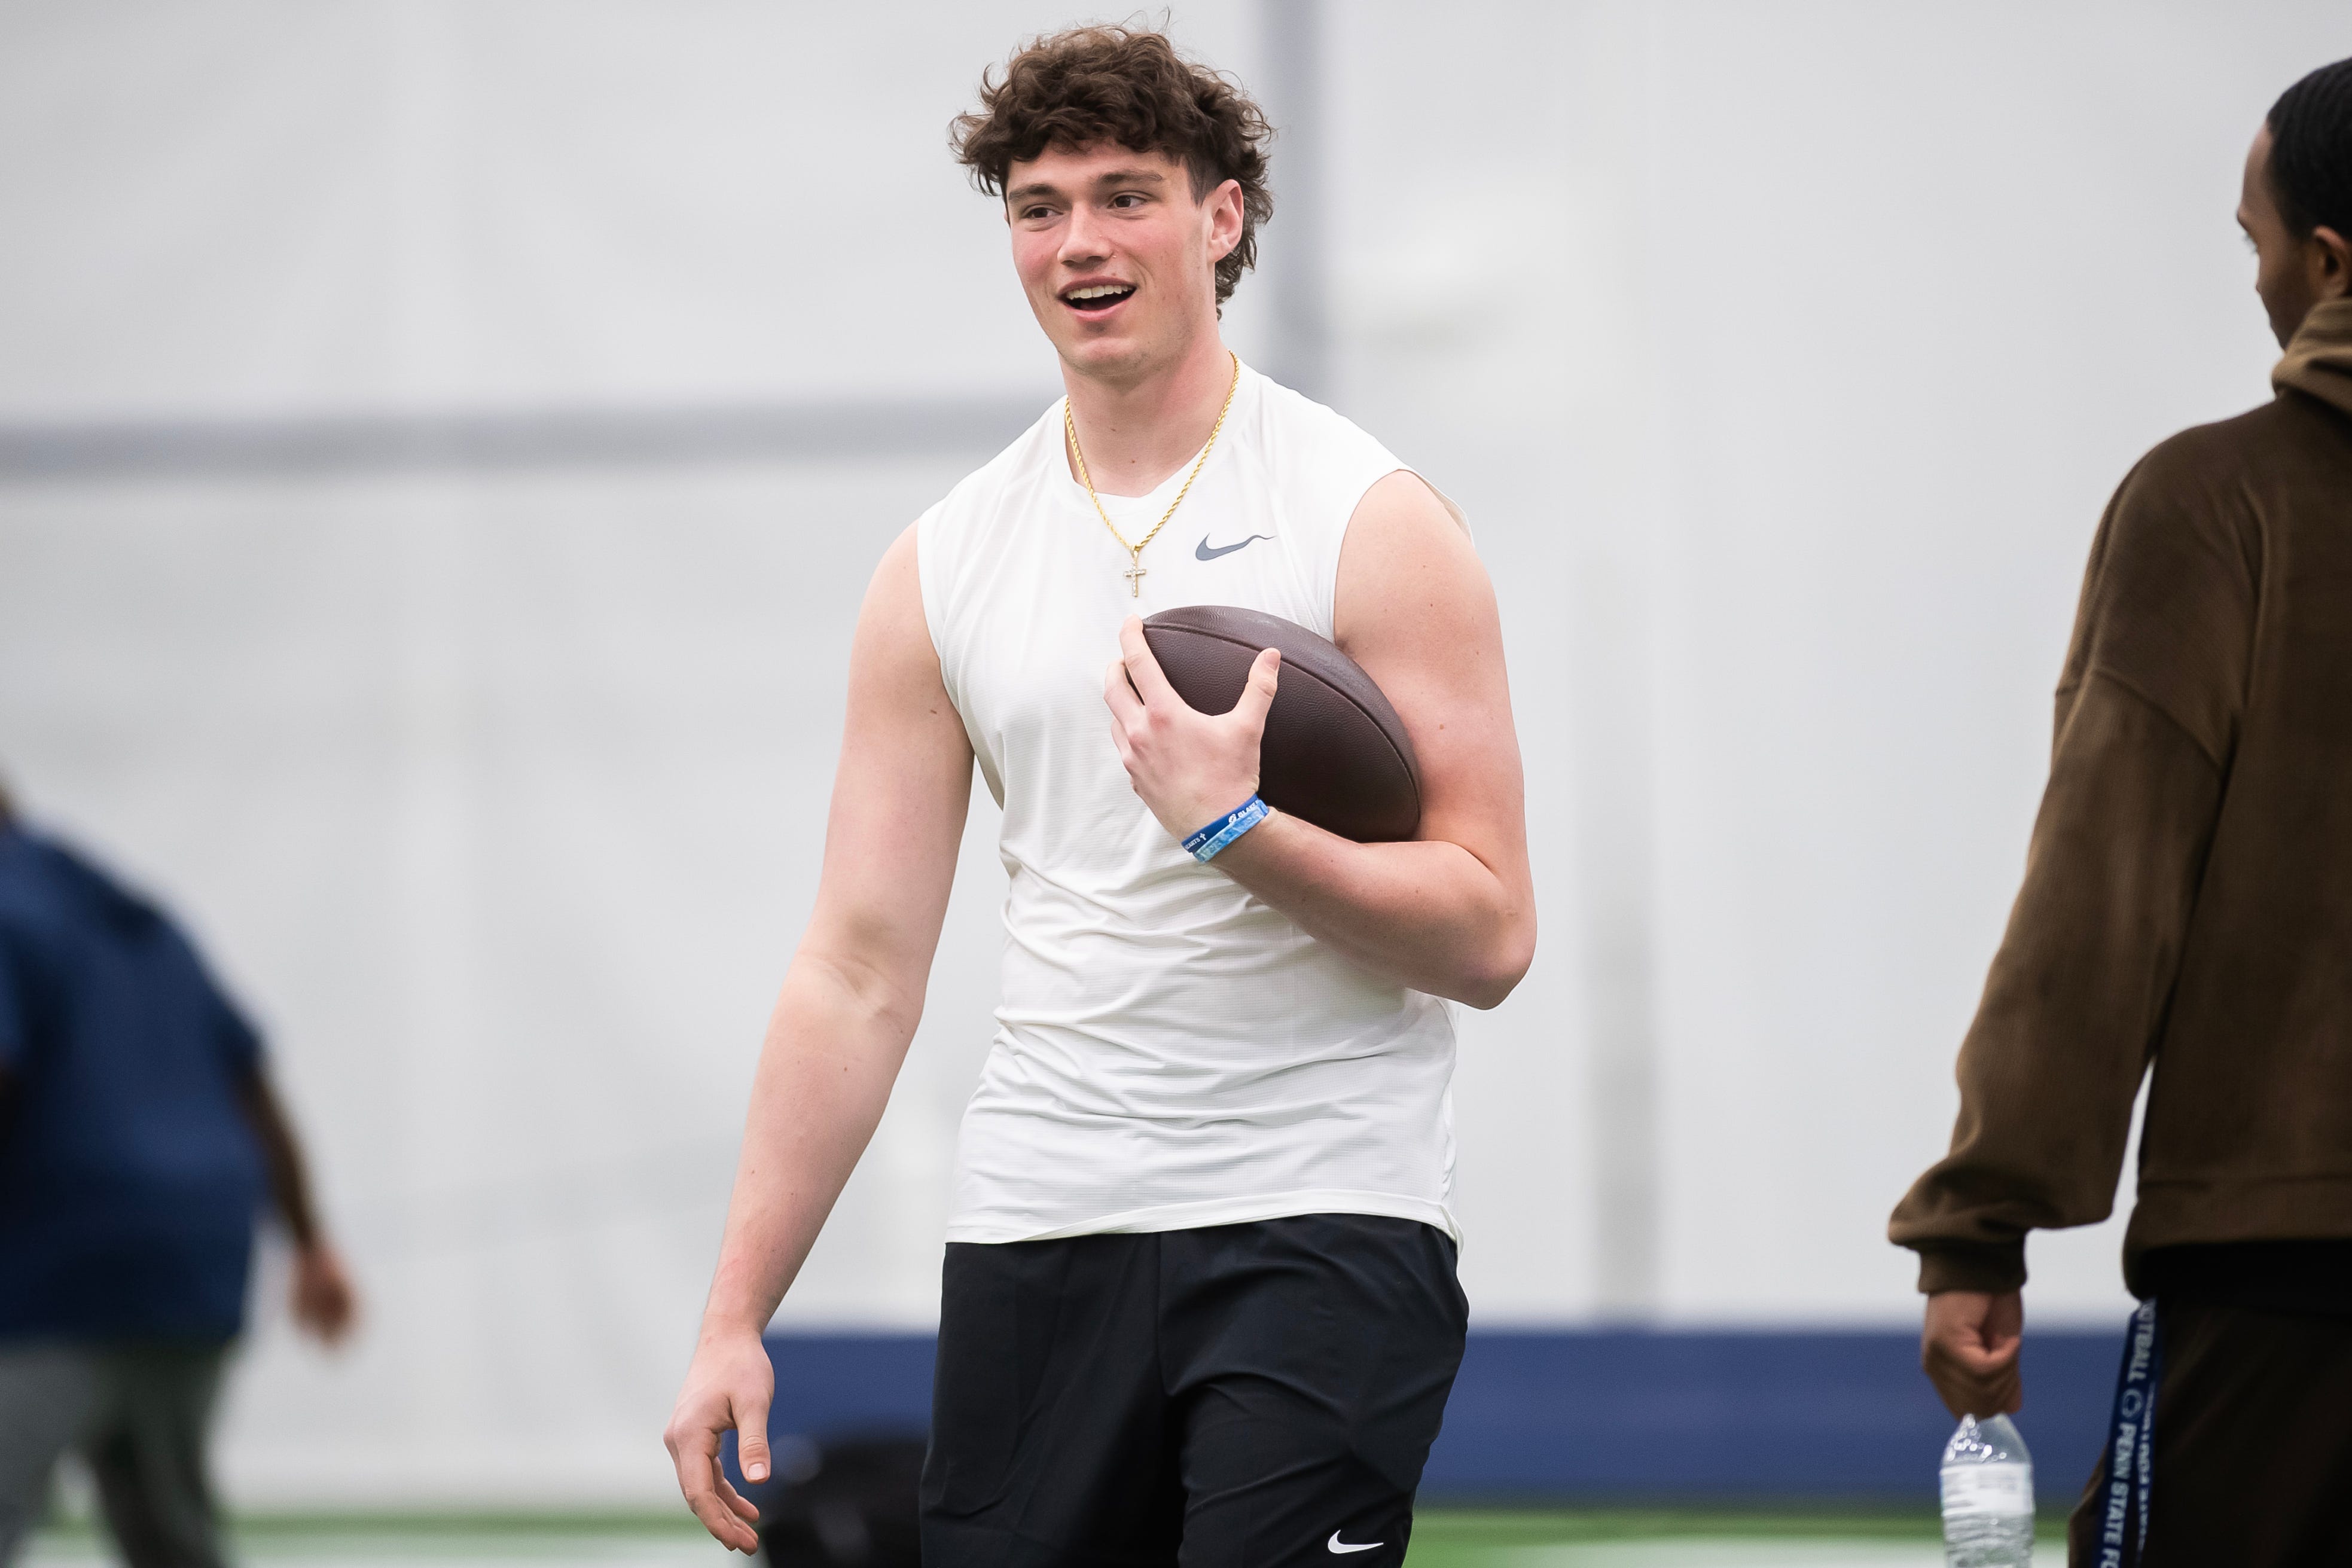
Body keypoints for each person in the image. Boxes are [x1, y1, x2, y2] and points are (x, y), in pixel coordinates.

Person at [664, 24, 1533, 1567]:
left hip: (1318, 1209)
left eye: (1123, 196)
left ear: (1220, 217)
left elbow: (1485, 930)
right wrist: (733, 1310)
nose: (1077, 242)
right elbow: (857, 968)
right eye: (1035, 204)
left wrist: (1235, 830)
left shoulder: (1369, 520)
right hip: (1039, 1219)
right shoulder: (940, 564)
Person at [1889, 57, 2352, 1567]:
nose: (2259, 276)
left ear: (2327, 263)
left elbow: (2103, 895)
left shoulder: (2217, 506)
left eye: (2253, 242)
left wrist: (1981, 1221)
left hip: (2290, 1280)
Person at [0, 783, 358, 1567]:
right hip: (195, 1258)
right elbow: (251, 1081)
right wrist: (310, 1242)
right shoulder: (135, 914)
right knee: (170, 1540)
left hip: (52, 1269)